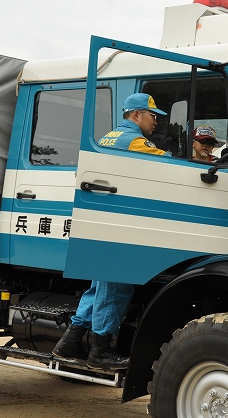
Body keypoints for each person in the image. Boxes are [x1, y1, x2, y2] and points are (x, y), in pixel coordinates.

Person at [52, 93, 169, 369]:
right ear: (136, 115)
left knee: (100, 285)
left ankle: (70, 341)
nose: (156, 123)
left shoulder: (107, 138)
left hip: (101, 221)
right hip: (121, 223)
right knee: (115, 287)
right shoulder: (136, 141)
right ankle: (100, 352)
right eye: (153, 116)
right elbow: (170, 165)